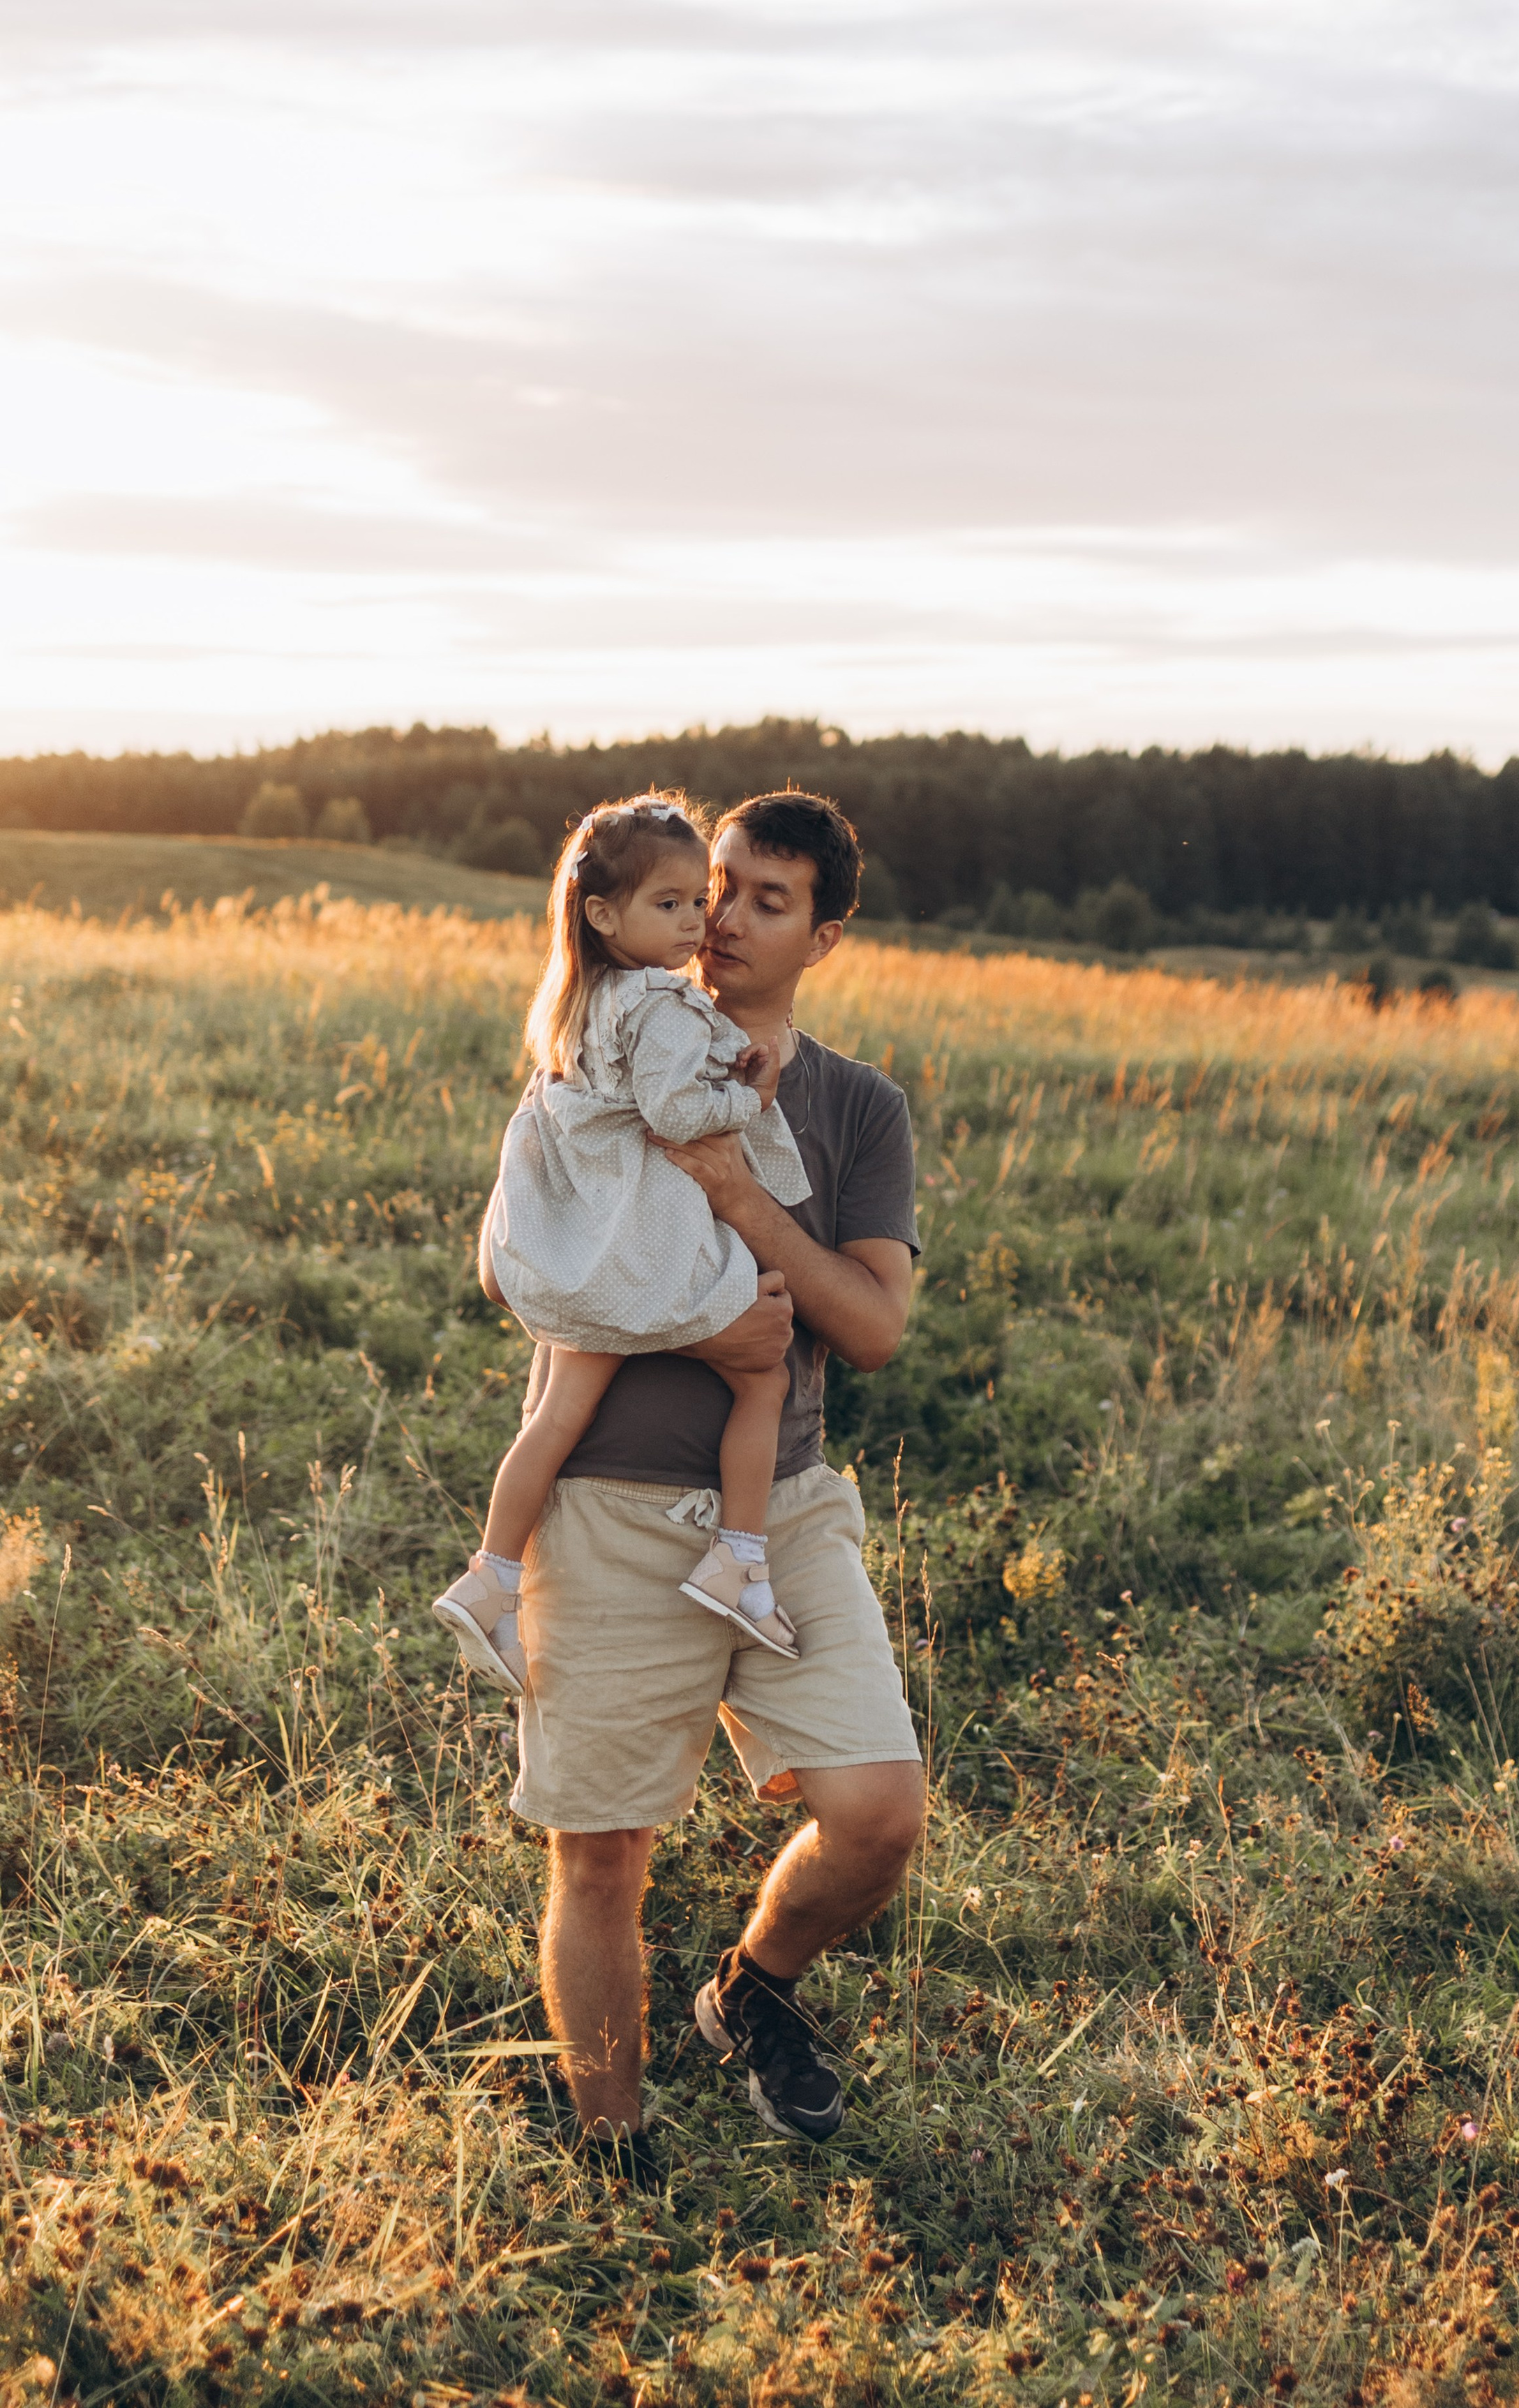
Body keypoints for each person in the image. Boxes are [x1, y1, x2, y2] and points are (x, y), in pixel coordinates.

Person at [495, 790, 924, 2174]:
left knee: (875, 1816)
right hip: (606, 1510)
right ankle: (614, 2145)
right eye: (715, 888)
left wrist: (743, 1207)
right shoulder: (609, 1045)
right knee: (602, 1853)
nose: (724, 920)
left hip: (781, 1508)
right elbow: (514, 1266)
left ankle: (752, 1986)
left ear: (825, 936)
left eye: (767, 901)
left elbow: (868, 1327)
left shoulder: (856, 1108)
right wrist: (697, 1325)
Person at [434, 792, 811, 1691]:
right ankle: (741, 1559)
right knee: (764, 1371)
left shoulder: (576, 1002)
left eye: (696, 899)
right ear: (604, 914)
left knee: (552, 1419)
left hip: (582, 1251)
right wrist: (754, 1096)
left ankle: (492, 1576)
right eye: (670, 904)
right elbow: (679, 1114)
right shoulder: (662, 1007)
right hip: (641, 1247)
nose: (696, 924)